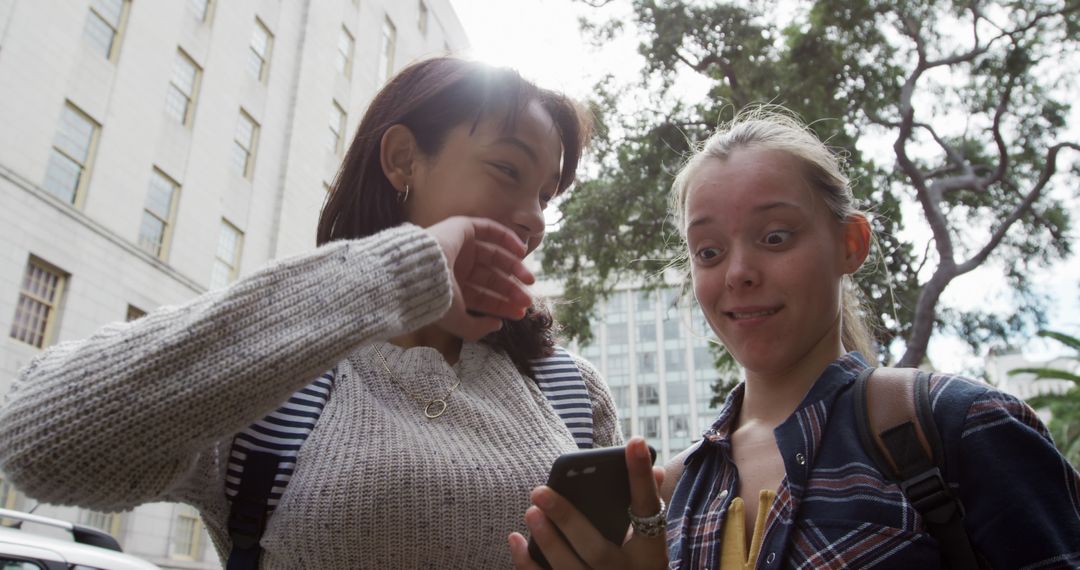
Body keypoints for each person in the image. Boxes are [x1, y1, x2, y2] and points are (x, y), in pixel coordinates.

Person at [0, 57, 624, 569]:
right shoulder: (274, 376)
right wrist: (395, 272)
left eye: (545, 194)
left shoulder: (568, 390)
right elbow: (32, 440)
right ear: (404, 159)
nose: (536, 217)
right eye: (508, 170)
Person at [511, 109, 1080, 569]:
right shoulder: (670, 494)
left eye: (775, 236)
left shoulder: (960, 426)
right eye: (709, 252)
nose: (738, 273)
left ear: (850, 243)